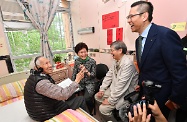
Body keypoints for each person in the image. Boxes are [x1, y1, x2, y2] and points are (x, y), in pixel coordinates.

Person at [127, 1, 187, 120]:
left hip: (165, 98)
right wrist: (141, 84)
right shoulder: (138, 41)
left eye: (131, 16)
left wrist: (175, 98)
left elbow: (179, 71)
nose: (129, 20)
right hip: (148, 94)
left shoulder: (165, 35)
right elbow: (146, 67)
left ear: (144, 16)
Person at [24, 56, 87, 121]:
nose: (50, 65)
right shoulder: (41, 83)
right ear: (37, 67)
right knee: (80, 99)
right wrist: (77, 81)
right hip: (45, 113)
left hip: (43, 107)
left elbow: (51, 89)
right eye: (46, 63)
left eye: (49, 62)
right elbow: (63, 95)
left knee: (71, 95)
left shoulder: (34, 76)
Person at [95, 41, 139, 122]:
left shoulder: (128, 64)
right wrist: (102, 89)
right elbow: (109, 76)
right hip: (116, 89)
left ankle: (112, 118)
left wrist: (110, 100)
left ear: (120, 50)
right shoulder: (116, 61)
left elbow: (121, 86)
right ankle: (109, 115)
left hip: (126, 93)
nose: (110, 52)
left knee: (103, 109)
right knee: (97, 96)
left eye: (112, 50)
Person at [71, 42, 96, 114]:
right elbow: (74, 73)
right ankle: (76, 111)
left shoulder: (92, 61)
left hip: (90, 83)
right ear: (77, 53)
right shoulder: (77, 61)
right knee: (70, 94)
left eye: (85, 52)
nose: (83, 54)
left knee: (87, 98)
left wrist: (86, 71)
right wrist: (73, 83)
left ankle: (89, 113)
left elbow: (93, 76)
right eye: (81, 52)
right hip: (80, 82)